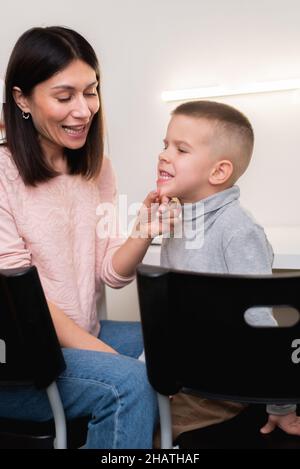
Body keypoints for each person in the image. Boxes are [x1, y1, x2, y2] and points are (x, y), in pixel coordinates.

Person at [0, 26, 178, 449]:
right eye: (64, 97)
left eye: (91, 92)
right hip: (20, 362)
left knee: (180, 346)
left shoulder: (96, 168)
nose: (83, 110)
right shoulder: (4, 173)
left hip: (78, 336)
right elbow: (19, 298)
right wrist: (112, 360)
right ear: (22, 98)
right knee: (130, 383)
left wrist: (142, 233)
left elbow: (110, 273)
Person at [156, 100, 300, 442]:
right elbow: (167, 314)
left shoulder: (237, 230)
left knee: (144, 429)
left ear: (218, 172)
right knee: (123, 406)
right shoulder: (177, 220)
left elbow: (262, 322)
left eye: (181, 149)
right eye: (164, 145)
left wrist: (281, 407)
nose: (164, 155)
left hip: (221, 392)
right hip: (183, 377)